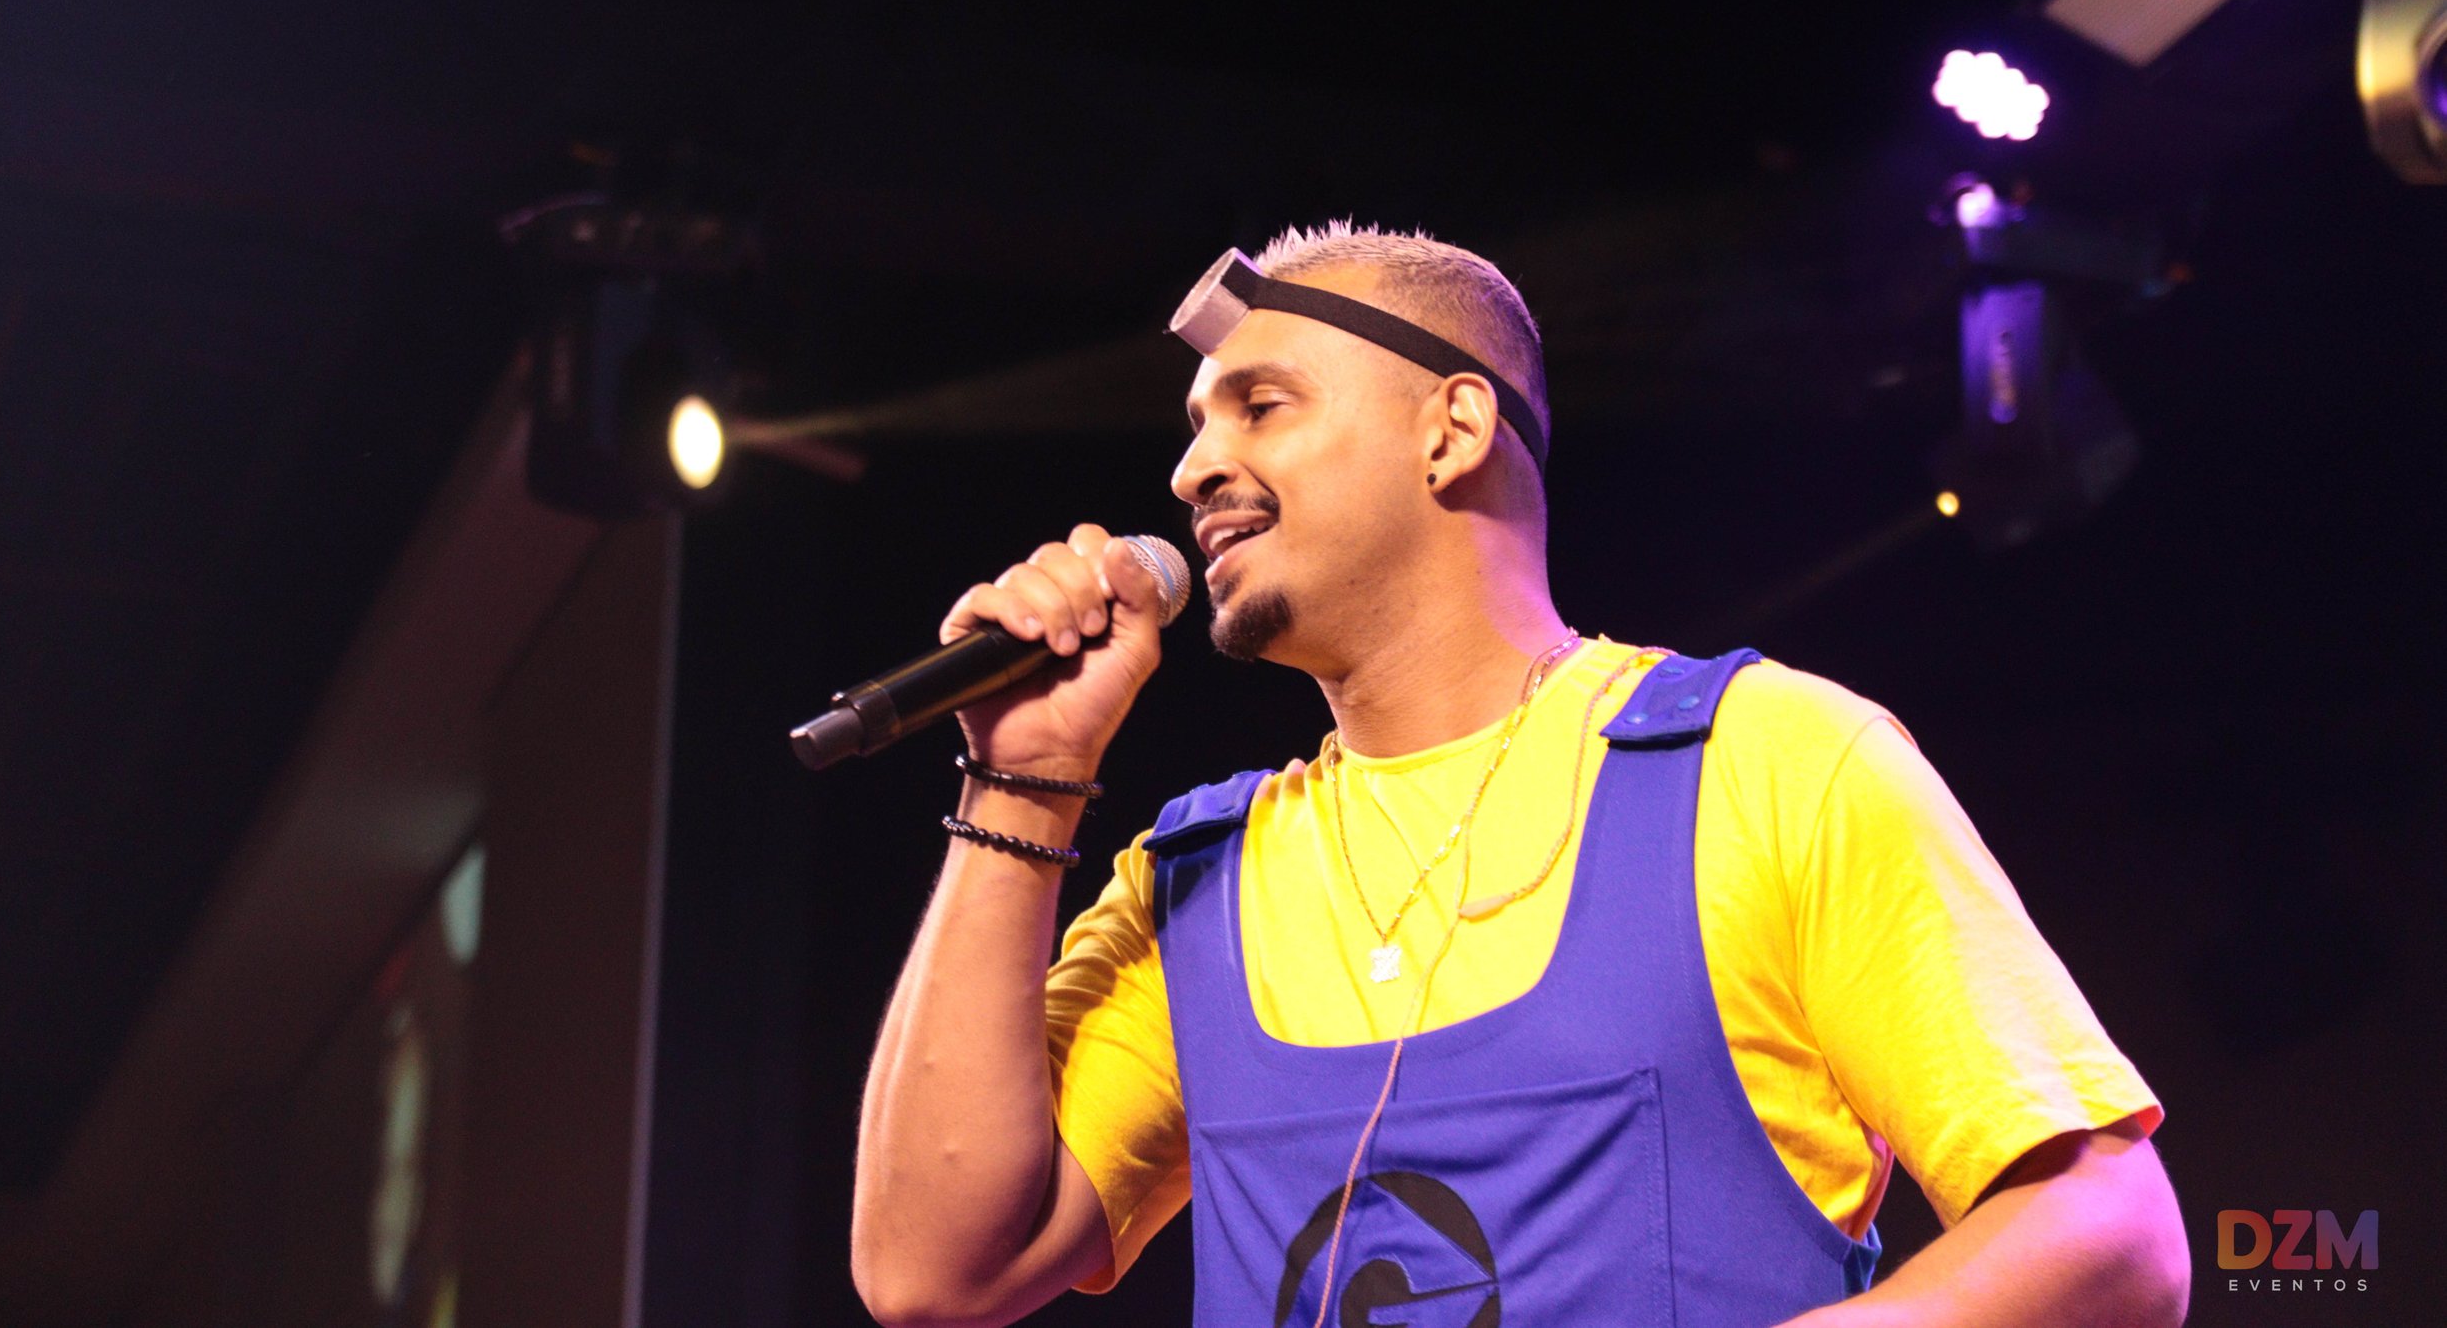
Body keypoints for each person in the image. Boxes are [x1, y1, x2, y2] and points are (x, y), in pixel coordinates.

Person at [851, 224, 2189, 1328]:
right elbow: (933, 1276)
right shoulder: (1193, 883)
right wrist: (1023, 783)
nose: (1194, 468)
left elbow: (2109, 1232)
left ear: (1452, 429)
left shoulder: (1769, 761)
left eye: (1262, 405)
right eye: (1198, 426)